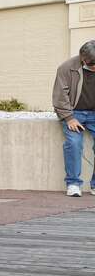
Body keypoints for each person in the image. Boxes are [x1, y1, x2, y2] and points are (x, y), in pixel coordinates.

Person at [53, 40, 95, 196]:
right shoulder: (66, 68)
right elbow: (59, 96)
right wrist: (69, 118)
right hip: (74, 112)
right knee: (74, 143)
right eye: (92, 65)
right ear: (83, 59)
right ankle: (73, 184)